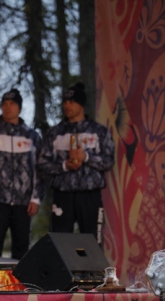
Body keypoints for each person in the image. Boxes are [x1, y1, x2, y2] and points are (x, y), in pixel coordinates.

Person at [37, 82, 115, 242]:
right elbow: (42, 164)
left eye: (72, 102)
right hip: (62, 194)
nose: (67, 105)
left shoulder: (98, 131)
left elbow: (108, 161)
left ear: (81, 104)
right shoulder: (55, 133)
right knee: (59, 243)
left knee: (93, 242)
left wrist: (85, 157)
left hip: (90, 194)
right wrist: (64, 165)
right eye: (65, 102)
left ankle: (91, 262)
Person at [0, 88, 45, 260]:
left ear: (19, 108)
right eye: (5, 104)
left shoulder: (31, 136)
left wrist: (36, 198)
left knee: (21, 247)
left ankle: (19, 278)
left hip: (23, 202)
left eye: (12, 104)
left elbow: (39, 169)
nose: (8, 107)